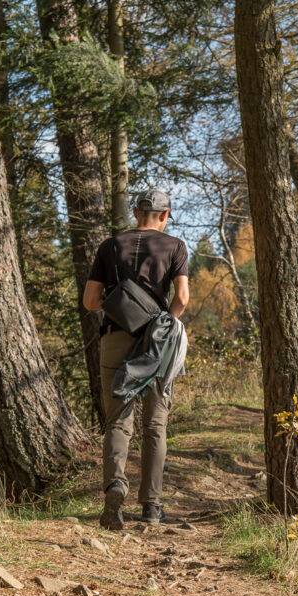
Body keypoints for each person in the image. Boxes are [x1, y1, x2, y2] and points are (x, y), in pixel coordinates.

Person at [83, 189, 190, 530]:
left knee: (118, 421)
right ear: (165, 215)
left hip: (115, 337)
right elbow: (183, 299)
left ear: (136, 212)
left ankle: (115, 487)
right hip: (157, 347)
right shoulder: (175, 247)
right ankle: (152, 506)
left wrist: (124, 308)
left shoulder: (110, 246)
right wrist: (164, 325)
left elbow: (90, 301)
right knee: (155, 425)